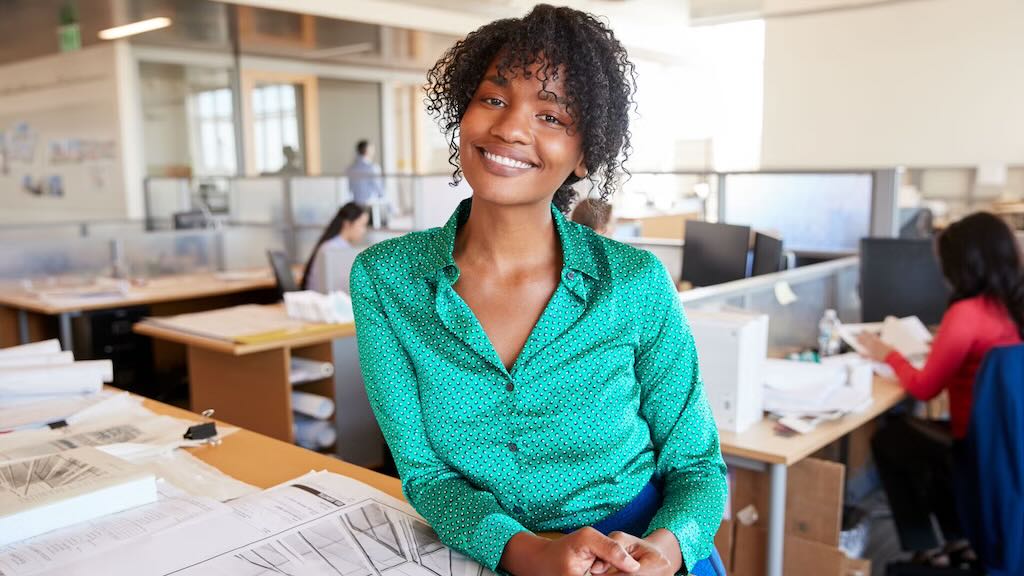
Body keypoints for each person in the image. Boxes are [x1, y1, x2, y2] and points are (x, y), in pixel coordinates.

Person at [349, 6, 727, 576]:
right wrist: (533, 554)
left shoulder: (633, 283)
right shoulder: (386, 279)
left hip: (640, 550)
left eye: (551, 116)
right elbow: (426, 475)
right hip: (494, 553)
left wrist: (667, 551)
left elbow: (697, 467)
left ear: (585, 155)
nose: (510, 128)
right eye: (493, 99)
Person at [857, 211, 1024, 567]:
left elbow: (924, 388)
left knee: (891, 438)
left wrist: (888, 354)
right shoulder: (1012, 305)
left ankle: (933, 543)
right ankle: (958, 537)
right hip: (1007, 449)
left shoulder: (966, 313)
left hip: (974, 447)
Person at [300, 202, 369, 292]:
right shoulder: (331, 250)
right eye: (362, 225)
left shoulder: (341, 247)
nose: (364, 231)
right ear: (347, 224)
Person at [346, 140, 384, 205]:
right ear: (367, 150)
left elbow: (349, 188)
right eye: (372, 149)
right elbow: (379, 188)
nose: (373, 152)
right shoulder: (372, 167)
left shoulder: (350, 168)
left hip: (355, 203)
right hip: (370, 204)